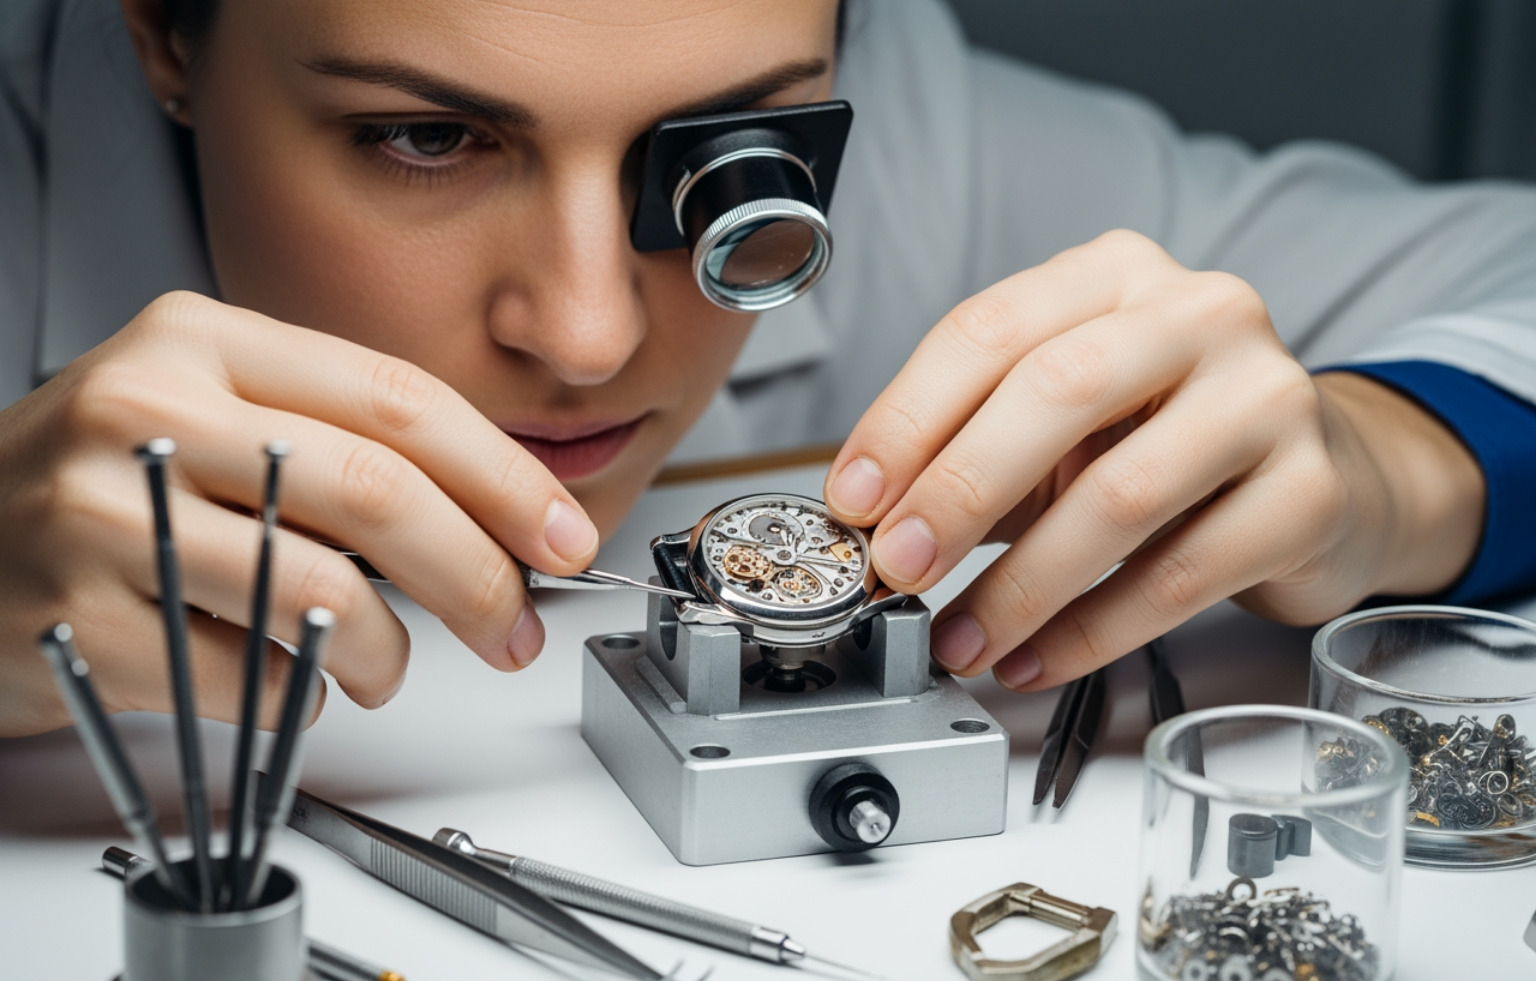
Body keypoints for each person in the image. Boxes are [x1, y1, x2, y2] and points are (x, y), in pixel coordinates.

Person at [3, 0, 1535, 738]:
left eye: (730, 158)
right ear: (163, 36)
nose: (595, 336)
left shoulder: (916, 136)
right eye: (427, 138)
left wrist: (1392, 462)